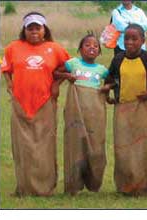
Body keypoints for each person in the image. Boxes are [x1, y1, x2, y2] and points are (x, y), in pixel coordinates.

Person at [1, 11, 70, 196]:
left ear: (44, 30)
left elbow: (68, 66)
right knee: (22, 146)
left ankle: (44, 188)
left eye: (37, 28)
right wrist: (9, 83)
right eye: (29, 28)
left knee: (44, 144)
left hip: (45, 102)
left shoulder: (54, 48)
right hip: (20, 103)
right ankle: (24, 188)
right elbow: (5, 67)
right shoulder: (13, 48)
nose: (34, 31)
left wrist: (56, 83)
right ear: (24, 30)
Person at [103, 24, 147, 196]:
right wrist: (107, 93)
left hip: (143, 108)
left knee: (144, 147)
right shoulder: (118, 59)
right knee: (123, 148)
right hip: (122, 107)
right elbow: (110, 79)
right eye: (127, 39)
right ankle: (126, 185)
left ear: (143, 40)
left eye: (134, 39)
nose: (130, 42)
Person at [53, 32, 109, 195]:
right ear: (80, 49)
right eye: (87, 45)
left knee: (96, 145)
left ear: (99, 51)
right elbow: (56, 72)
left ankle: (94, 182)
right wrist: (67, 76)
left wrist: (107, 89)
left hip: (95, 112)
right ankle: (73, 184)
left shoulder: (102, 70)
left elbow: (112, 82)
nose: (91, 48)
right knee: (75, 143)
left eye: (95, 46)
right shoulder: (73, 63)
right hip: (76, 110)